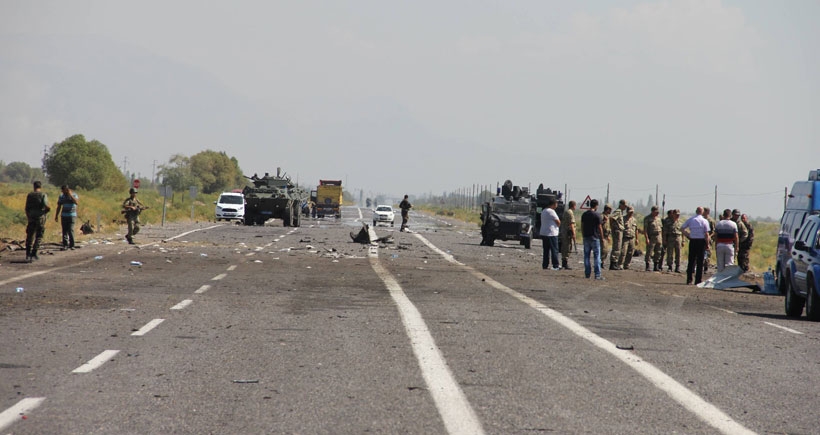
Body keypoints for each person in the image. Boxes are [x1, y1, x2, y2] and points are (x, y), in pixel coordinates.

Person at [681, 206, 711, 285]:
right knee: (700, 261)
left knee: (691, 260)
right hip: (701, 241)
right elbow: (707, 234)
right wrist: (707, 244)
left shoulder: (691, 220)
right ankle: (698, 280)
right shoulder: (704, 221)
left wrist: (688, 235)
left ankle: (689, 279)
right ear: (702, 212)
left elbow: (682, 228)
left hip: (693, 240)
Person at [24, 180, 51, 262]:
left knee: (30, 235)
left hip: (31, 217)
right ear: (40, 187)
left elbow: (26, 208)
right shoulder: (43, 195)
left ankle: (28, 253)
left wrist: (29, 216)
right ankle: (34, 252)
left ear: (34, 186)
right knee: (39, 235)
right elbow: (46, 206)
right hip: (40, 218)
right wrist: (45, 212)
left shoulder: (30, 195)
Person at [581, 199, 604, 280]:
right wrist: (602, 237)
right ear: (596, 205)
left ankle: (587, 274)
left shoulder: (584, 214)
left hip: (586, 237)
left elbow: (582, 226)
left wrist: (583, 235)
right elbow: (599, 227)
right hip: (595, 237)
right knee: (597, 256)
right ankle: (597, 274)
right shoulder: (597, 215)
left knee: (586, 256)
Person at [54, 185, 79, 250]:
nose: (63, 191)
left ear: (67, 190)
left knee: (70, 230)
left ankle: (72, 245)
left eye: (64, 190)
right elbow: (59, 206)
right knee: (64, 231)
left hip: (72, 215)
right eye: (62, 190)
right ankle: (65, 245)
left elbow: (76, 202)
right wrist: (56, 215)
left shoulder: (74, 195)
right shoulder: (61, 196)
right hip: (64, 215)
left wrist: (70, 195)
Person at [540, 197, 561, 270]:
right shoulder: (551, 211)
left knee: (546, 250)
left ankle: (545, 265)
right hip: (551, 233)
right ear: (554, 204)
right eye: (556, 203)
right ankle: (555, 265)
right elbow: (558, 221)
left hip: (544, 232)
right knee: (554, 250)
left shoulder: (544, 211)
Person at [643, 205, 663, 271]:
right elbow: (645, 230)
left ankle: (656, 266)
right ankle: (647, 265)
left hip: (658, 236)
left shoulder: (658, 219)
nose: (657, 213)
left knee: (658, 251)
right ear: (652, 211)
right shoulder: (647, 218)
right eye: (656, 212)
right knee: (649, 252)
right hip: (651, 237)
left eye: (658, 212)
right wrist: (646, 238)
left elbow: (661, 228)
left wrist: (662, 238)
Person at [609, 199, 627, 270]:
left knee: (618, 247)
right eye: (624, 206)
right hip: (617, 231)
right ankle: (613, 263)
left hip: (619, 231)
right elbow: (611, 218)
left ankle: (615, 263)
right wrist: (615, 226)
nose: (625, 207)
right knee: (616, 247)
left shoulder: (621, 212)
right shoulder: (618, 211)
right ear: (621, 205)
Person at [559, 200, 576, 270]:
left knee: (565, 247)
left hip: (564, 232)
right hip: (567, 233)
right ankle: (565, 263)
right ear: (573, 206)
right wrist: (574, 234)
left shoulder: (566, 212)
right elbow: (571, 224)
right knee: (567, 247)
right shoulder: (570, 213)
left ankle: (564, 262)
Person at [702, 207, 716, 272]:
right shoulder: (701, 219)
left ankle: (706, 266)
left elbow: (714, 231)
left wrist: (709, 237)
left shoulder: (711, 221)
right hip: (701, 238)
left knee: (708, 253)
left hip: (708, 239)